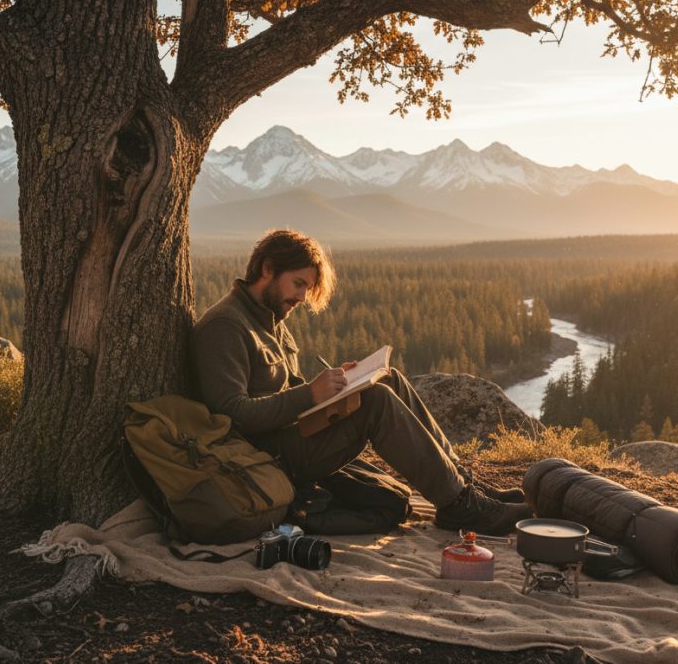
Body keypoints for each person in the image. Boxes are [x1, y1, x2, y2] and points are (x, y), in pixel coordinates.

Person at [190, 229, 532, 536]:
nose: (303, 298)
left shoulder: (269, 317)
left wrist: (341, 384)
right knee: (375, 402)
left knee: (389, 381)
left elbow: (282, 390)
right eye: (299, 284)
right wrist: (311, 394)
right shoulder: (226, 326)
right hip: (266, 457)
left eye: (307, 288)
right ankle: (459, 506)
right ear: (267, 269)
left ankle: (461, 483)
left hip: (291, 434)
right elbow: (231, 414)